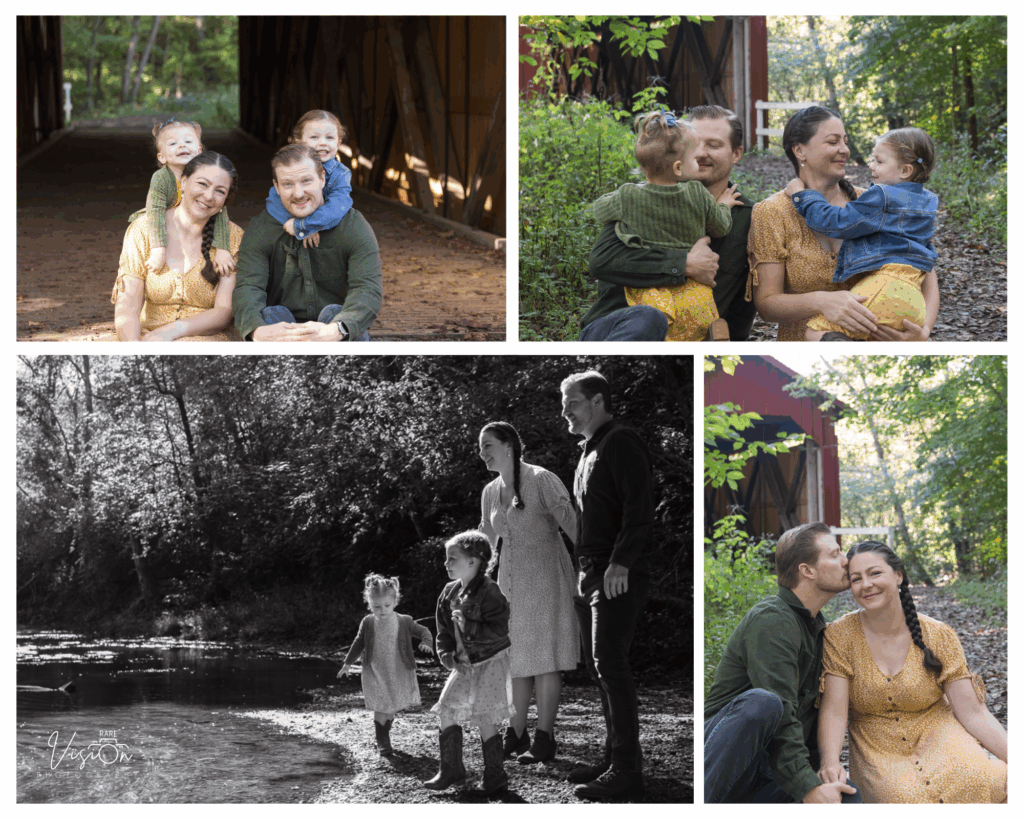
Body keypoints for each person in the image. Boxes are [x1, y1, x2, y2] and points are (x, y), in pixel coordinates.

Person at [818, 541, 1007, 803]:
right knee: (905, 798)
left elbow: (973, 712)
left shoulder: (938, 633)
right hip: (877, 749)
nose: (866, 585)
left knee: (985, 779)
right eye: (856, 579)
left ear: (898, 575)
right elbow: (835, 712)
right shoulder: (839, 636)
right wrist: (831, 762)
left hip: (940, 734)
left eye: (875, 573)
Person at [704, 522, 862, 803]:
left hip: (771, 770)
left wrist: (824, 775)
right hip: (726, 764)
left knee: (847, 796)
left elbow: (807, 722)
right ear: (807, 570)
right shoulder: (772, 620)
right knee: (763, 703)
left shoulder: (817, 629)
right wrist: (807, 787)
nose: (846, 561)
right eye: (835, 554)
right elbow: (782, 715)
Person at [749, 106, 933, 342]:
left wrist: (922, 333)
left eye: (845, 141)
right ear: (799, 150)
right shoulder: (772, 212)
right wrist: (822, 301)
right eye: (833, 142)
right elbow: (766, 305)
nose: (845, 150)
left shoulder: (874, 201)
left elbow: (925, 271)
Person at [581, 105, 755, 341]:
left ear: (736, 153)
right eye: (694, 145)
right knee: (647, 319)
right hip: (619, 326)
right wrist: (683, 264)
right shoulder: (641, 199)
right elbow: (601, 261)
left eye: (713, 145)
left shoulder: (749, 217)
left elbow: (743, 301)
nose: (701, 154)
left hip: (693, 339)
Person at [561, 370, 652, 800]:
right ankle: (612, 757)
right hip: (590, 573)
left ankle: (627, 771)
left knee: (611, 667)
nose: (566, 413)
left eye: (572, 403)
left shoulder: (620, 441)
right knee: (600, 671)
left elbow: (640, 505)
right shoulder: (589, 450)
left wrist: (620, 562)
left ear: (597, 400)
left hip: (616, 575)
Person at [477, 422, 579, 763]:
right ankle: (516, 733)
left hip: (547, 575)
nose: (483, 453)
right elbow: (487, 542)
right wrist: (471, 582)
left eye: (488, 445)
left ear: (509, 445)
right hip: (510, 583)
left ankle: (545, 738)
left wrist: (596, 566)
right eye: (481, 447)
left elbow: (575, 528)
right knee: (516, 659)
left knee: (545, 658)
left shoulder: (541, 479)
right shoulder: (491, 491)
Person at [232, 143, 383, 342]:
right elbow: (248, 287)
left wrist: (339, 329)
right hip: (281, 328)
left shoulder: (353, 226)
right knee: (270, 316)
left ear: (322, 179)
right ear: (276, 187)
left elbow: (367, 288)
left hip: (334, 328)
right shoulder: (261, 228)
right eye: (287, 184)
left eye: (306, 181)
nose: (298, 193)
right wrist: (256, 330)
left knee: (339, 316)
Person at [112, 152, 243, 341]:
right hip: (149, 340)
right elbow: (127, 308)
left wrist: (174, 330)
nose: (208, 196)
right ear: (183, 181)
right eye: (202, 184)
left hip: (208, 342)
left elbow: (224, 311)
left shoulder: (233, 238)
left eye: (220, 191)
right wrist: (136, 351)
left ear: (225, 200)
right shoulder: (143, 230)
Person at [424, 530, 514, 797]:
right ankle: (451, 769)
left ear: (473, 561)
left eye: (453, 558)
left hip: (490, 663)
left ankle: (495, 777)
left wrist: (470, 625)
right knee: (447, 709)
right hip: (463, 664)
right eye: (446, 558)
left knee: (486, 718)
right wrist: (447, 655)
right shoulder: (449, 592)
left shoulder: (490, 591)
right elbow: (442, 631)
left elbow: (500, 630)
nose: (447, 563)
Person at [337, 573, 434, 756]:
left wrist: (426, 643)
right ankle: (383, 742)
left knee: (392, 706)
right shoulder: (368, 622)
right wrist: (348, 663)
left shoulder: (404, 621)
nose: (382, 610)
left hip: (398, 669)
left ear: (395, 601)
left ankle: (385, 730)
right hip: (375, 670)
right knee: (381, 705)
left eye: (387, 605)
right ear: (369, 604)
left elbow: (424, 631)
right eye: (376, 606)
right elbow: (359, 642)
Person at [129, 118, 235, 277]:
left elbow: (220, 210)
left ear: (199, 151)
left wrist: (222, 249)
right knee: (143, 226)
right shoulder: (161, 178)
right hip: (166, 219)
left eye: (188, 141)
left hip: (194, 222)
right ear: (162, 157)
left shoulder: (208, 174)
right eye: (173, 144)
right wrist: (158, 249)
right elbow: (156, 211)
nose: (181, 145)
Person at [266, 109, 354, 247]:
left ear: (338, 143)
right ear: (299, 142)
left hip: (329, 235)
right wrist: (294, 223)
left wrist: (306, 225)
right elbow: (273, 200)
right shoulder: (290, 168)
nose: (323, 143)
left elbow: (338, 206)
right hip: (293, 230)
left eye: (329, 138)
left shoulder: (342, 174)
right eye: (314, 137)